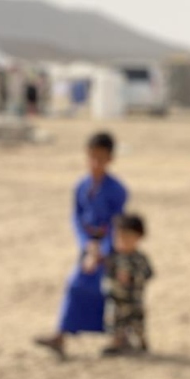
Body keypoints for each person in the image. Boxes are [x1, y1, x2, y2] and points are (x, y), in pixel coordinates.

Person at [35, 132, 128, 358]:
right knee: (76, 286)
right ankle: (62, 335)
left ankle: (119, 338)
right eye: (91, 157)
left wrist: (102, 250)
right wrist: (87, 246)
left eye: (100, 158)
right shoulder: (81, 187)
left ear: (110, 159)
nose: (95, 163)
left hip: (109, 250)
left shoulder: (118, 190)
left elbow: (117, 224)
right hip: (88, 248)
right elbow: (76, 219)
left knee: (113, 293)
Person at [101, 213, 154, 356]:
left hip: (134, 299)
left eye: (127, 238)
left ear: (138, 238)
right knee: (115, 322)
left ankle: (141, 342)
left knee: (137, 322)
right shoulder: (114, 258)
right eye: (119, 238)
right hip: (116, 299)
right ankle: (117, 342)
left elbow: (148, 274)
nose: (122, 242)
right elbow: (107, 275)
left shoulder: (140, 258)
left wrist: (131, 278)